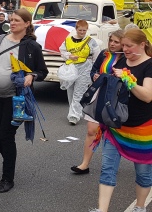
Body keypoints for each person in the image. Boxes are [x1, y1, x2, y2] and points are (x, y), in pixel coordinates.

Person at [0, 8, 48, 193]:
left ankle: (7, 178)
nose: (12, 23)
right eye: (11, 19)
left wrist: (32, 75)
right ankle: (9, 158)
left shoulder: (31, 46)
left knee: (6, 135)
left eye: (17, 20)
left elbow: (42, 71)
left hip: (16, 98)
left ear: (27, 24)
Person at [89, 29, 152, 212]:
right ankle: (102, 209)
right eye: (123, 45)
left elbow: (147, 96)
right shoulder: (123, 60)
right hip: (116, 125)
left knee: (143, 173)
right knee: (107, 168)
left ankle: (139, 207)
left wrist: (127, 79)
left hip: (142, 130)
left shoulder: (149, 65)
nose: (124, 49)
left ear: (143, 44)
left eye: (129, 46)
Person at [71, 30, 124, 175]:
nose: (112, 44)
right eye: (111, 40)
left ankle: (117, 163)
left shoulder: (127, 57)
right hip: (99, 94)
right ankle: (85, 164)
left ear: (123, 43)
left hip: (116, 99)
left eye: (116, 42)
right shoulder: (104, 54)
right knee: (91, 130)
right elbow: (94, 69)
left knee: (116, 133)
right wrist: (94, 75)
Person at [59, 20, 100, 125]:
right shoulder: (68, 40)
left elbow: (96, 55)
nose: (82, 32)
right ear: (76, 29)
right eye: (80, 30)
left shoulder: (91, 41)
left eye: (84, 30)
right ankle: (73, 111)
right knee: (70, 92)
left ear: (87, 30)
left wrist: (95, 70)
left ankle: (74, 115)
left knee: (79, 92)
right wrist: (69, 56)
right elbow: (62, 51)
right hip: (70, 68)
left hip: (85, 68)